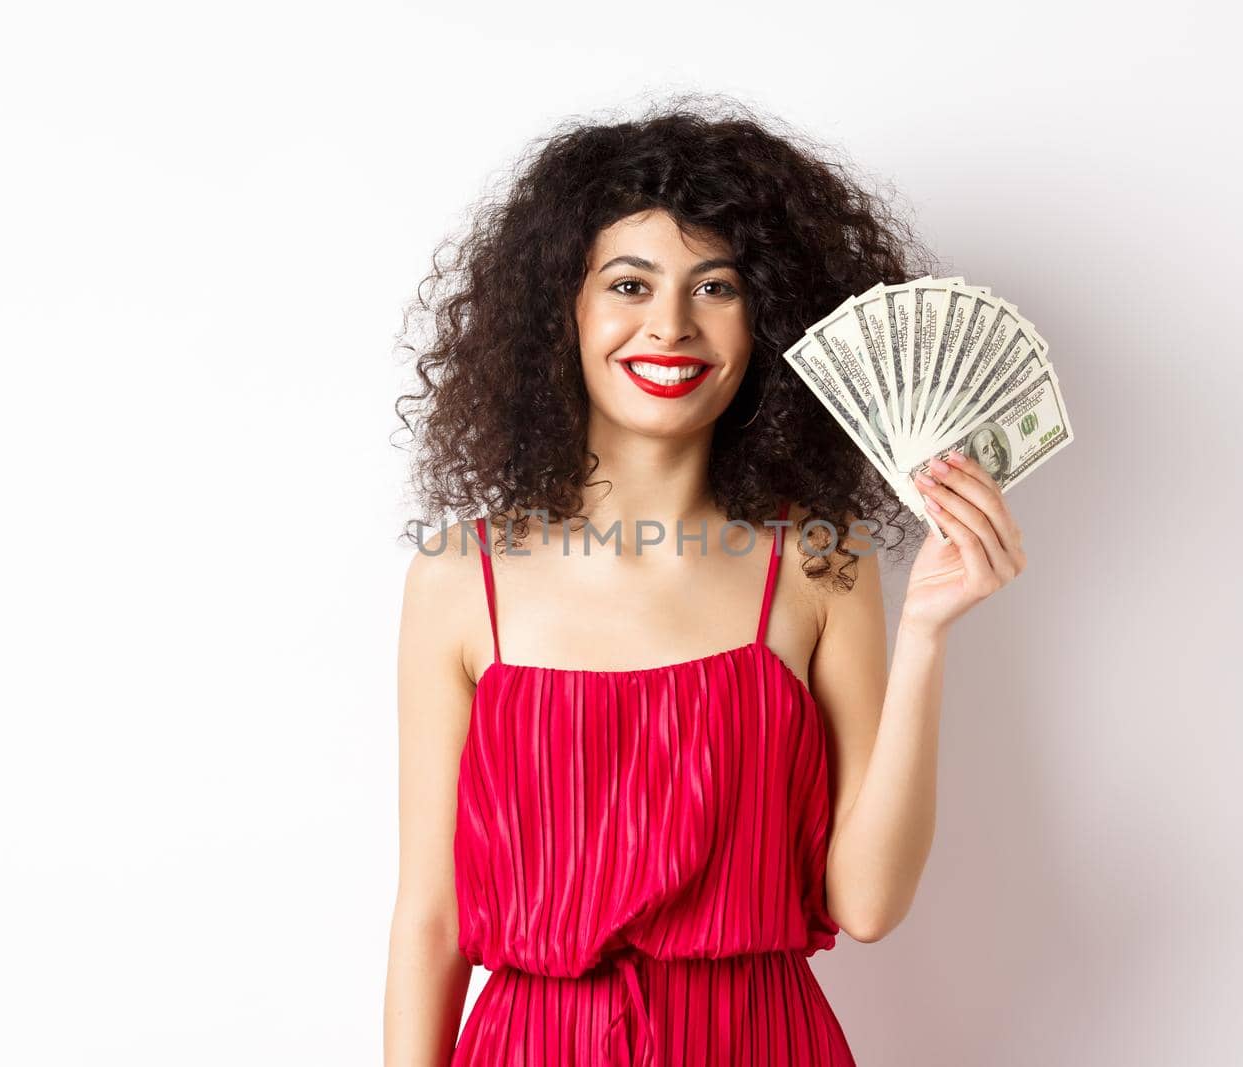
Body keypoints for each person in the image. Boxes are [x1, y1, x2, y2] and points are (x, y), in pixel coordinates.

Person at [383, 97, 1027, 1066]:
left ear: (766, 318)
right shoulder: (459, 576)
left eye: (716, 286)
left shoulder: (818, 563)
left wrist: (930, 630)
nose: (671, 326)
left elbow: (867, 901)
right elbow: (431, 917)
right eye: (629, 284)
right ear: (562, 307)